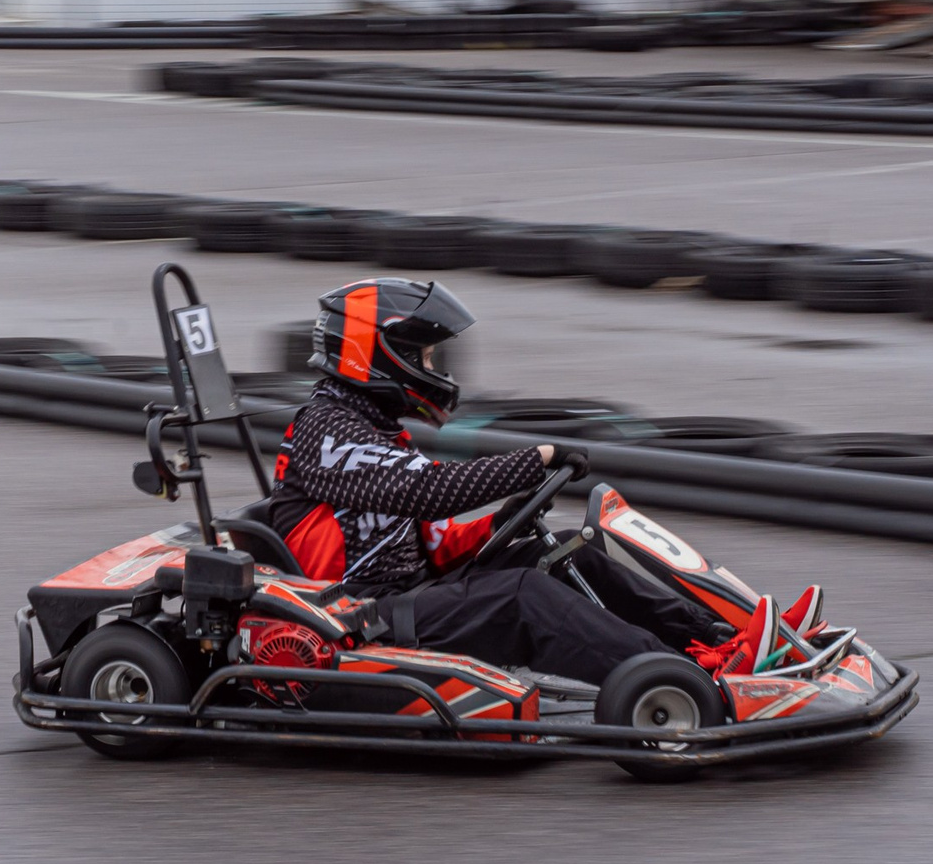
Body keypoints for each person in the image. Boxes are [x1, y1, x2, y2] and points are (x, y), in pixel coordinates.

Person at [263, 277, 732, 687]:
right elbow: (428, 493)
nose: (434, 371)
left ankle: (714, 639)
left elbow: (427, 543)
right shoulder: (327, 430)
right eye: (424, 357)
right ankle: (676, 678)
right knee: (523, 594)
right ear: (381, 354)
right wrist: (537, 457)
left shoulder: (371, 428)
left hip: (408, 592)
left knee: (569, 551)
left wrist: (494, 525)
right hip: (354, 615)